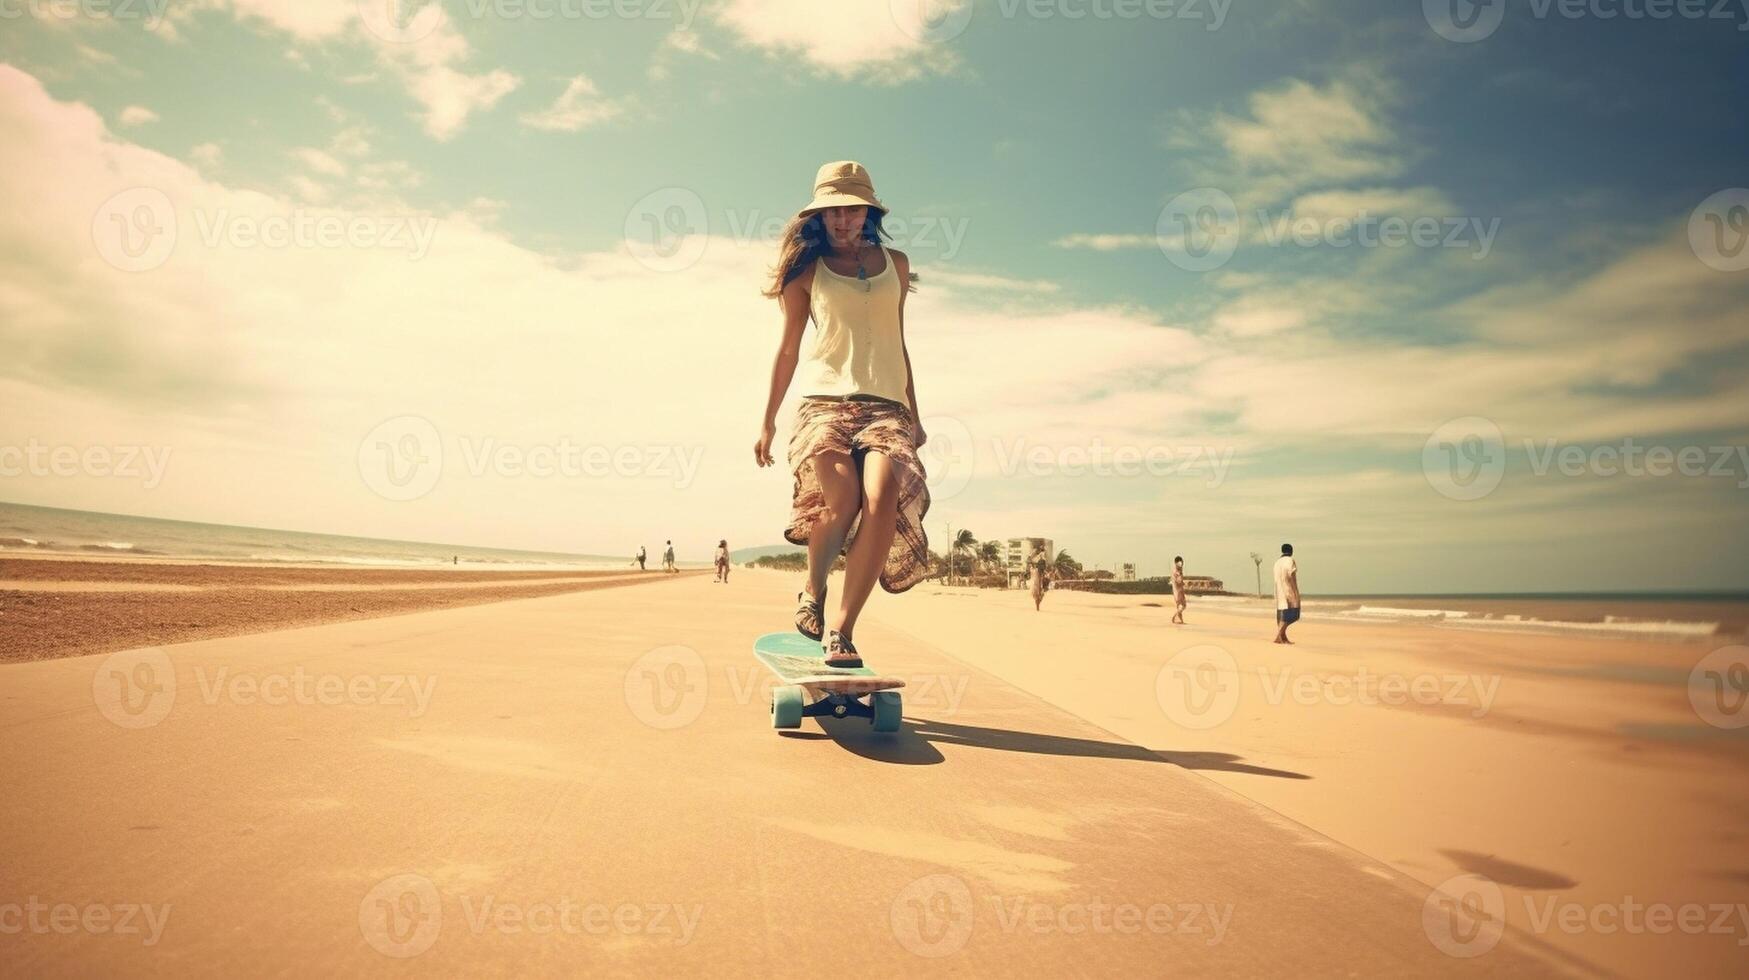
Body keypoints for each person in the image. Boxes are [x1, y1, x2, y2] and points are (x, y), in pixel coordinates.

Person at [752, 161, 931, 668]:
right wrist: (766, 420)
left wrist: (915, 413)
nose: (843, 220)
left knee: (882, 494)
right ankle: (813, 588)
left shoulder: (895, 263)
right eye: (833, 211)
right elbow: (788, 350)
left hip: (887, 406)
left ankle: (842, 631)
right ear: (819, 215)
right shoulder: (806, 270)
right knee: (843, 497)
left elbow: (899, 343)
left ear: (868, 211)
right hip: (824, 402)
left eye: (852, 210)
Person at [1273, 543, 1301, 644]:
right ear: (1291, 551)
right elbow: (1292, 576)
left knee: (1283, 615)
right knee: (1293, 614)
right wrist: (1296, 591)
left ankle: (1283, 638)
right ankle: (1279, 635)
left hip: (1278, 591)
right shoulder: (1290, 560)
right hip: (1289, 590)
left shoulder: (1277, 562)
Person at [1027, 545, 1049, 611]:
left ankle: (1038, 602)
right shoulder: (1036, 556)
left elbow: (1043, 565)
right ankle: (1038, 603)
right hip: (1036, 572)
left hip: (1038, 572)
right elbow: (1029, 561)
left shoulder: (1041, 556)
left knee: (1045, 580)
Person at [1171, 555, 1186, 625]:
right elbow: (1179, 581)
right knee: (1183, 605)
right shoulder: (1178, 571)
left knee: (1179, 605)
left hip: (1175, 591)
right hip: (1179, 590)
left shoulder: (1174, 570)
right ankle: (1176, 615)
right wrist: (1182, 582)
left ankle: (1180, 619)